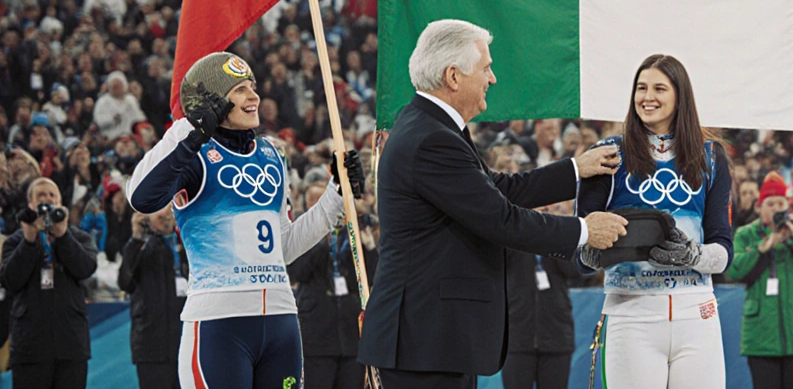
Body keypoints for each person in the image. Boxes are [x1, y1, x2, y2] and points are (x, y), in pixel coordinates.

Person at [358, 20, 628, 388]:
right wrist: (584, 230)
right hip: (424, 341)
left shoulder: (428, 126)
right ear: (454, 76)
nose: (493, 78)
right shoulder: (431, 139)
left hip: (432, 338)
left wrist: (574, 171)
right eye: (485, 67)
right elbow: (501, 219)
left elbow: (497, 189)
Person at [126, 52, 365, 388]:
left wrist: (337, 196)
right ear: (210, 102)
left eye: (252, 86)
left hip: (281, 322)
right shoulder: (191, 149)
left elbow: (282, 247)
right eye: (239, 89)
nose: (254, 96)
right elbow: (141, 196)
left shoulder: (271, 154)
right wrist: (190, 133)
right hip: (219, 325)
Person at [577, 54, 734, 389]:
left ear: (680, 96)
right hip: (631, 315)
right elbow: (580, 248)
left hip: (697, 314)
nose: (647, 97)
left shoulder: (711, 156)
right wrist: (595, 250)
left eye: (659, 88)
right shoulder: (607, 153)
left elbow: (723, 249)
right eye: (641, 88)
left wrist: (694, 256)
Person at [1, 177, 98, 389]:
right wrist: (28, 241)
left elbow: (86, 268)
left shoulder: (79, 237)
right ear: (30, 204)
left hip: (70, 345)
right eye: (41, 196)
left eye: (51, 195)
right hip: (30, 347)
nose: (47, 200)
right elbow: (10, 280)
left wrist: (63, 236)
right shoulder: (16, 241)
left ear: (61, 202)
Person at [727, 172, 793, 389]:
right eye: (771, 203)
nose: (777, 208)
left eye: (781, 203)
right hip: (761, 338)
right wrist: (761, 248)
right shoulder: (746, 234)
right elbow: (734, 270)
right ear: (760, 207)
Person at [289, 190, 378, 389]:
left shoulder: (351, 235)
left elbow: (371, 276)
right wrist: (321, 238)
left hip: (351, 337)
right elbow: (298, 272)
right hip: (317, 336)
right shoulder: (301, 235)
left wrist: (368, 246)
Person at [501, 202, 583, 389]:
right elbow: (501, 261)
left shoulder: (556, 236)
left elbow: (574, 271)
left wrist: (553, 230)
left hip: (556, 337)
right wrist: (526, 225)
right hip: (517, 338)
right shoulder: (512, 236)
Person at [118, 205, 188, 389]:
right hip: (151, 348)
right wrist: (135, 238)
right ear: (145, 216)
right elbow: (125, 282)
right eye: (159, 209)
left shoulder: (186, 245)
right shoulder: (140, 247)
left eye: (170, 209)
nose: (166, 215)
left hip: (186, 346)